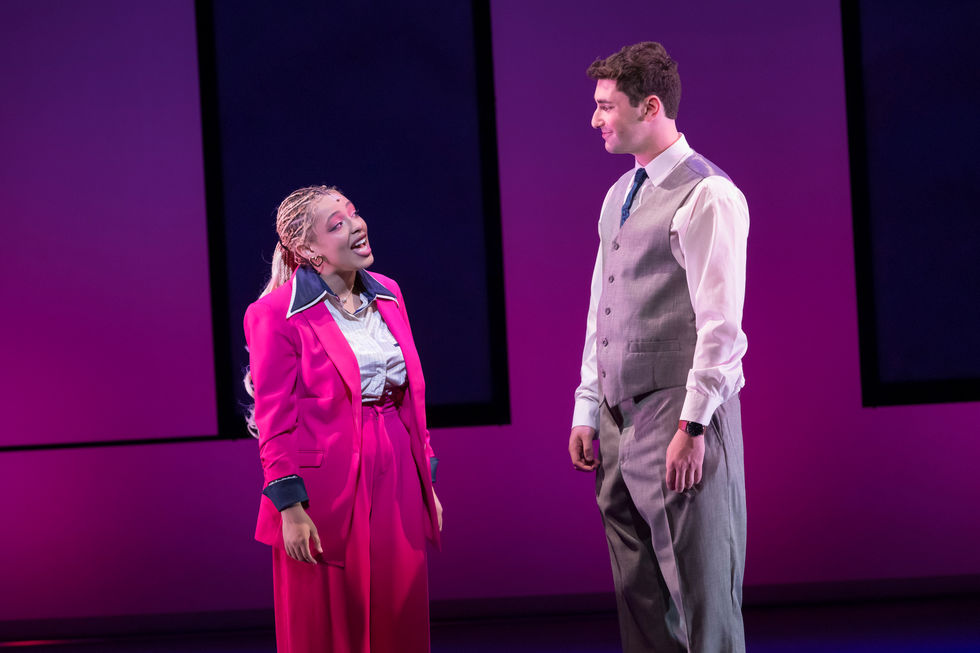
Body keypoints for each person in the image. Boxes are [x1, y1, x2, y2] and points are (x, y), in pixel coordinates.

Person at [568, 42, 749, 653]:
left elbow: (720, 326)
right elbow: (603, 306)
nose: (596, 119)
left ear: (649, 107)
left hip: (677, 414)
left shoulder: (708, 194)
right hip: (618, 418)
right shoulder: (618, 194)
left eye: (606, 106)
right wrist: (587, 406)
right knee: (639, 599)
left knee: (701, 597)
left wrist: (693, 425)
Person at [244, 185, 443, 652]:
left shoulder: (389, 294)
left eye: (354, 214)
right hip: (325, 487)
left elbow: (411, 398)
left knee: (397, 611)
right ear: (309, 249)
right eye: (337, 224)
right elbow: (275, 419)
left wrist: (426, 482)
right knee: (332, 623)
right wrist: (289, 507)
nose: (356, 226)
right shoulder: (275, 314)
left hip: (395, 469)